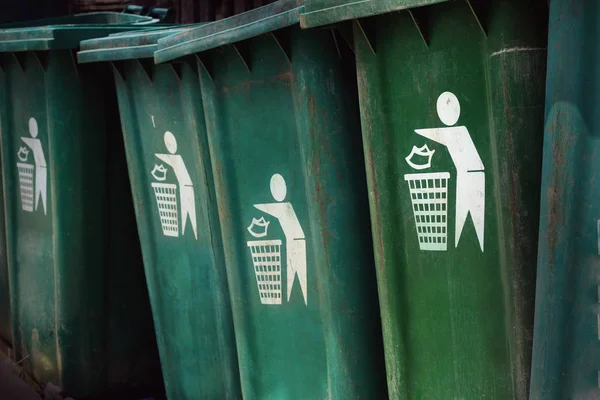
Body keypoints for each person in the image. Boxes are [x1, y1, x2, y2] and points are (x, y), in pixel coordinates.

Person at [414, 92, 485, 251]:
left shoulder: (459, 131)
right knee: (461, 217)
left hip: (474, 175)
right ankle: (461, 248)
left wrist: (421, 131)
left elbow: (439, 134)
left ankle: (474, 248)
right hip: (465, 174)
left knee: (475, 217)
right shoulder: (458, 131)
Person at [254, 174, 307, 305]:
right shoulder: (285, 206)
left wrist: (259, 206)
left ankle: (299, 299)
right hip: (294, 241)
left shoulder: (284, 207)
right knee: (293, 276)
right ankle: (294, 298)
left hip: (297, 242)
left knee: (299, 276)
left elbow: (270, 209)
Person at [155, 131, 197, 239]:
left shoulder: (177, 158)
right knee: (185, 215)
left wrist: (158, 155)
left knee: (190, 215)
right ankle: (188, 234)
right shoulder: (176, 158)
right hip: (185, 187)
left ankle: (193, 234)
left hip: (187, 187)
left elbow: (168, 160)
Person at [21, 117, 47, 215]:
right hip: (39, 167)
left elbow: (31, 143)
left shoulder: (37, 142)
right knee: (39, 193)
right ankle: (38, 210)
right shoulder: (36, 141)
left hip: (42, 168)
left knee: (43, 193)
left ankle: (41, 211)